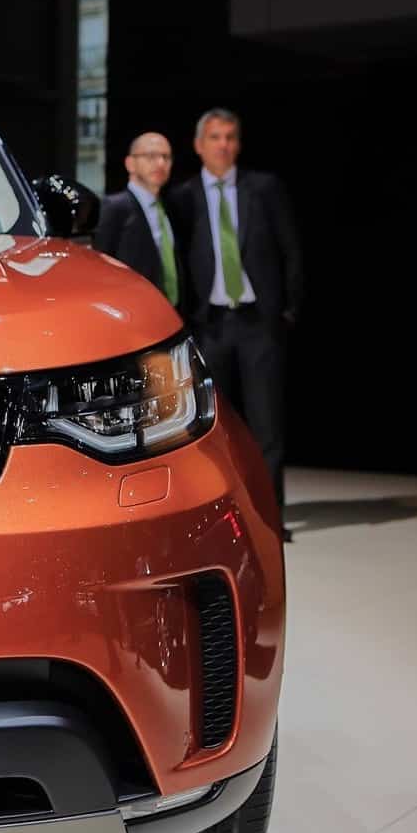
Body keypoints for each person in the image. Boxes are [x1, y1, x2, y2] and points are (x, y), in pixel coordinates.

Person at [172, 109, 302, 538]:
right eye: (215, 137)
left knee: (267, 426)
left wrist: (288, 311)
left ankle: (270, 518)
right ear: (199, 145)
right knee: (213, 430)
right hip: (210, 326)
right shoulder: (183, 197)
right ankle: (221, 520)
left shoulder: (263, 189)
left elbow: (290, 249)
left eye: (230, 137)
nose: (223, 144)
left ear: (238, 144)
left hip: (258, 323)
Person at [94, 131, 184, 314]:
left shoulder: (168, 207)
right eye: (151, 156)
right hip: (134, 314)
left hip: (171, 314)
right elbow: (99, 268)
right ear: (130, 163)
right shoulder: (114, 207)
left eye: (166, 157)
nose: (160, 163)